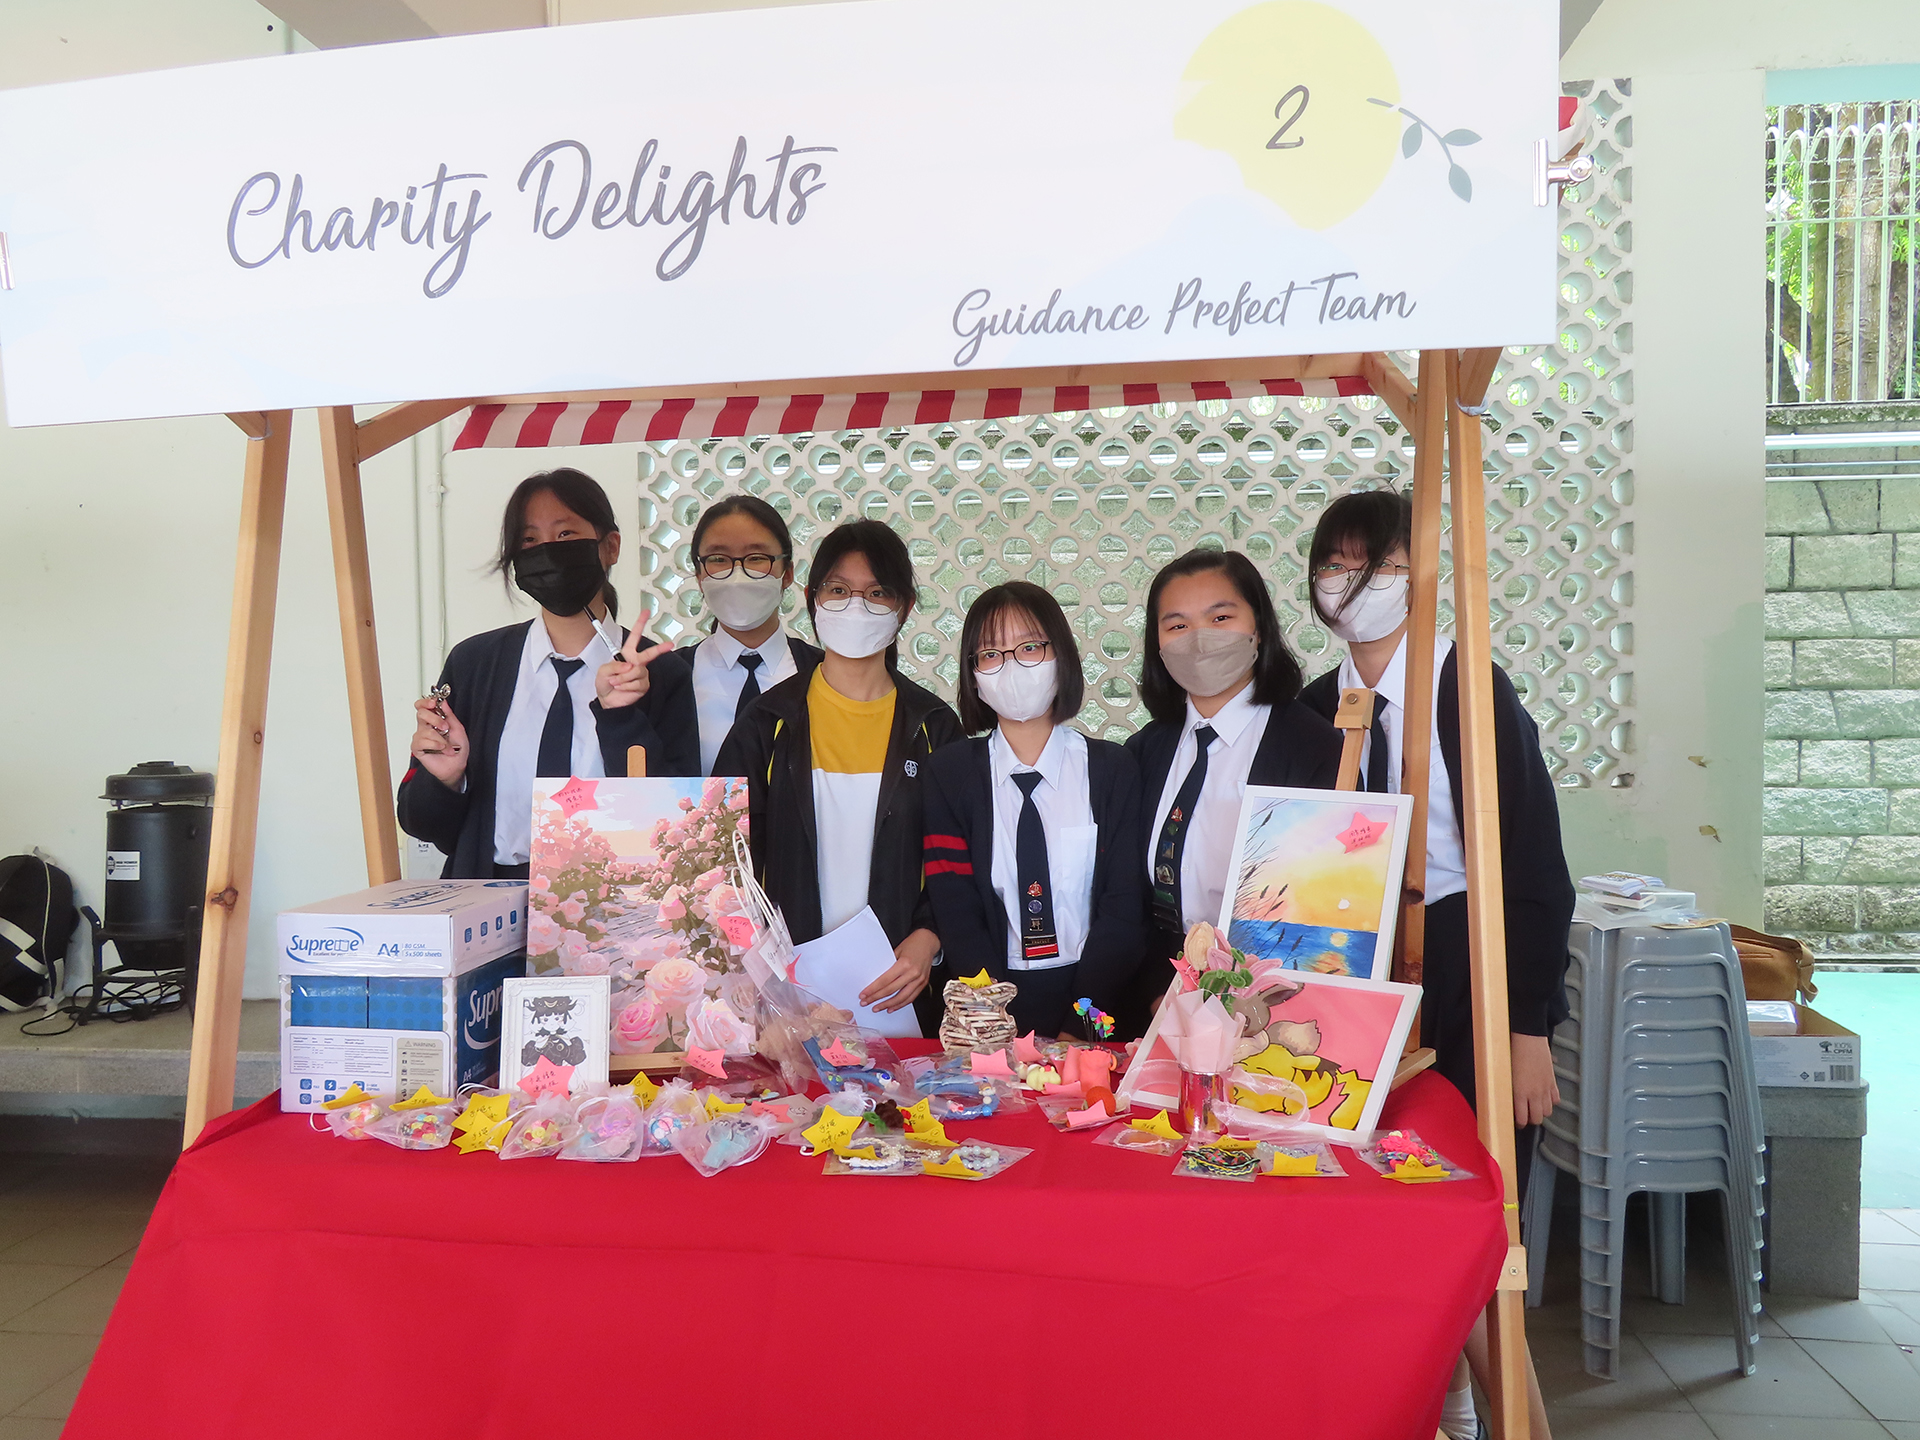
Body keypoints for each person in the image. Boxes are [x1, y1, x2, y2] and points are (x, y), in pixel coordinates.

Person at [1299, 489, 1571, 1440]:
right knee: (1380, 1200)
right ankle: (1426, 1396)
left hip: (1465, 959)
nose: (1353, 585)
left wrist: (1529, 1024)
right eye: (1336, 566)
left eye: (1375, 566)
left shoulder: (1469, 685)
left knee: (1477, 1206)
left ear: (1420, 577)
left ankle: (1505, 1411)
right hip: (1353, 974)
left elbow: (1537, 865)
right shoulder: (1313, 706)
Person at [715, 519, 963, 1034]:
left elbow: (962, 859)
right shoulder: (767, 724)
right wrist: (767, 974)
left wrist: (930, 938)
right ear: (810, 599)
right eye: (839, 590)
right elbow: (727, 863)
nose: (856, 606)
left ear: (905, 608)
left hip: (902, 991)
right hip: (790, 996)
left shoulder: (935, 727)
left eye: (877, 593)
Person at [398, 468, 682, 878]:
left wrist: (621, 719)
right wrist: (445, 779)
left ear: (610, 546)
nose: (546, 551)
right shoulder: (474, 663)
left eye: (565, 535)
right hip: (489, 913)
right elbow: (424, 825)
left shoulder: (662, 674)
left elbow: (671, 821)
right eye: (529, 540)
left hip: (613, 907)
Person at [1122, 549, 1342, 1035]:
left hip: (1271, 1003)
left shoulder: (1315, 747)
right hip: (1158, 1000)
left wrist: (1233, 995)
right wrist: (1158, 990)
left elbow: (1324, 901)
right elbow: (1126, 896)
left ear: (1257, 626)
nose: (1199, 638)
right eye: (1176, 625)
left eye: (1220, 617)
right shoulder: (1143, 751)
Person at [921, 582, 1148, 1039]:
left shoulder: (1113, 768)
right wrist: (995, 1023)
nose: (1010, 666)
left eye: (1029, 647)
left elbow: (1124, 909)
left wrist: (1080, 1025)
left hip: (1095, 1002)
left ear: (1060, 656)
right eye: (990, 654)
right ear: (973, 675)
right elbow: (956, 908)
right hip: (985, 1006)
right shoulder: (948, 773)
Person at [641, 495, 823, 775]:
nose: (738, 573)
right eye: (718, 559)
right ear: (700, 575)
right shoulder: (667, 678)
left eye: (757, 558)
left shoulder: (823, 673)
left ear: (787, 573)